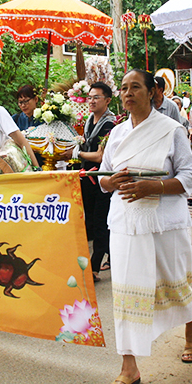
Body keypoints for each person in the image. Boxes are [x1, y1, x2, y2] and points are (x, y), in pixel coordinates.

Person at [99, 69, 192, 384]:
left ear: (152, 91)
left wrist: (152, 187)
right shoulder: (116, 134)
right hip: (125, 224)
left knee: (173, 284)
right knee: (126, 293)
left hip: (164, 224)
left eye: (135, 87)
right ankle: (129, 366)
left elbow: (191, 177)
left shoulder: (171, 130)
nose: (128, 93)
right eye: (124, 88)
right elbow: (102, 178)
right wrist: (110, 182)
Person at [62, 82, 116, 282]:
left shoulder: (110, 124)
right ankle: (112, 254)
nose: (92, 101)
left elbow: (101, 156)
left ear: (108, 100)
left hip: (101, 179)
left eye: (96, 97)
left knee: (101, 222)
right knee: (91, 222)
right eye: (90, 97)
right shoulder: (89, 121)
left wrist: (76, 153)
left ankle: (94, 268)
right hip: (86, 177)